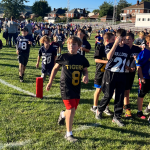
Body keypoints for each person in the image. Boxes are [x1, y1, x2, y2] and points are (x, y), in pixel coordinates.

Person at [46, 36, 89, 142]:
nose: (71, 46)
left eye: (74, 44)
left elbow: (85, 70)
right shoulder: (63, 57)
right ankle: (68, 134)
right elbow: (55, 69)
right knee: (70, 109)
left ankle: (63, 114)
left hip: (76, 87)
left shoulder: (82, 58)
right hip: (65, 86)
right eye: (69, 44)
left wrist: (86, 75)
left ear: (79, 47)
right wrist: (50, 82)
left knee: (73, 110)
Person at [96, 29, 130, 127]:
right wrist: (115, 44)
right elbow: (109, 57)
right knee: (108, 95)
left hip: (121, 73)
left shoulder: (127, 48)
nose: (123, 42)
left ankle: (117, 117)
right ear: (117, 38)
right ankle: (100, 109)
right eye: (121, 39)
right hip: (110, 73)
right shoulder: (109, 45)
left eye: (124, 39)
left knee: (120, 96)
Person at [91, 32, 115, 116]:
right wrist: (107, 61)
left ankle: (106, 107)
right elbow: (96, 60)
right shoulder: (100, 48)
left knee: (107, 92)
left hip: (108, 73)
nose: (114, 41)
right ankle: (94, 106)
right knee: (98, 90)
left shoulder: (113, 49)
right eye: (113, 40)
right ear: (107, 40)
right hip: (100, 72)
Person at [124, 32, 141, 119]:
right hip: (123, 72)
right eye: (125, 39)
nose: (127, 41)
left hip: (132, 73)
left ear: (133, 40)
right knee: (126, 91)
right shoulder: (123, 48)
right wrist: (128, 68)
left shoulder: (137, 49)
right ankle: (127, 110)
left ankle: (124, 104)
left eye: (129, 39)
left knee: (127, 90)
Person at [135, 34, 150, 120]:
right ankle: (139, 112)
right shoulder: (143, 53)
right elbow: (139, 66)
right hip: (145, 77)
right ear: (148, 43)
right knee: (141, 94)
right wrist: (141, 77)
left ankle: (148, 108)